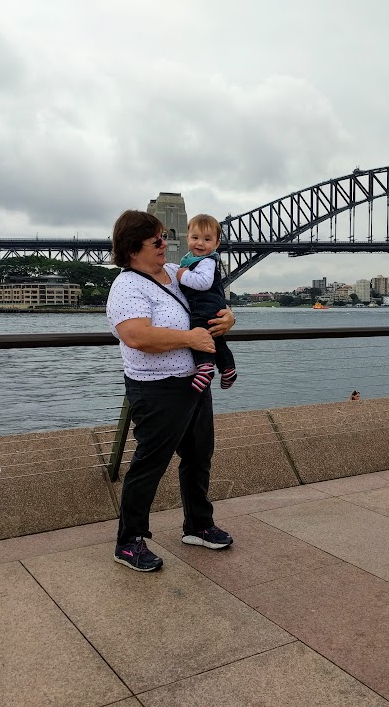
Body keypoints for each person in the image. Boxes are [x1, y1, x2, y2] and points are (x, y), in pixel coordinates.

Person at [106, 210, 236, 573]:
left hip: (194, 382)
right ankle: (128, 541)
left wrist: (229, 317)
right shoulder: (127, 286)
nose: (166, 243)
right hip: (157, 389)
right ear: (133, 249)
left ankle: (198, 525)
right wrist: (189, 339)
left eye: (164, 236)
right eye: (157, 240)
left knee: (198, 457)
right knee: (150, 464)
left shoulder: (179, 272)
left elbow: (209, 301)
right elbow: (136, 335)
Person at [177, 214, 237, 392]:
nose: (200, 243)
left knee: (199, 333)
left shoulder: (206, 262)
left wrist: (183, 275)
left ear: (217, 244)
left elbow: (203, 283)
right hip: (212, 306)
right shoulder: (194, 259)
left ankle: (205, 367)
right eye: (195, 238)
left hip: (204, 307)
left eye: (207, 239)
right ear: (187, 238)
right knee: (216, 339)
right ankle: (228, 368)